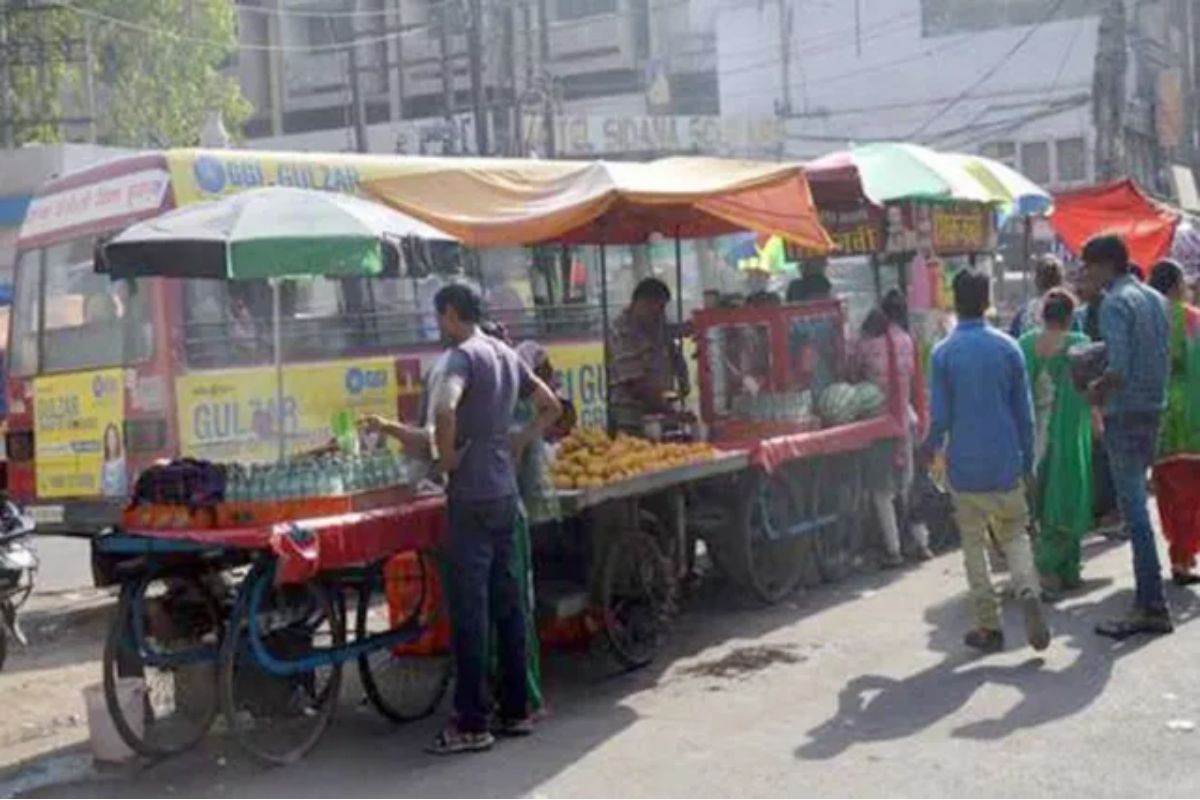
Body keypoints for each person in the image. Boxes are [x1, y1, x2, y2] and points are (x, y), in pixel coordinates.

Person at [408, 284, 562, 753]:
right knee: (509, 607)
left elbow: (442, 407)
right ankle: (517, 710)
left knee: (471, 614)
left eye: (440, 318)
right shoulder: (504, 353)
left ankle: (471, 722)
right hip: (504, 493)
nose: (440, 327)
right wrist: (520, 439)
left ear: (451, 314)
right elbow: (551, 405)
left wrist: (449, 457)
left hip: (471, 498)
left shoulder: (461, 357)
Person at [922, 270, 1049, 653]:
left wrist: (927, 447)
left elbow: (940, 418)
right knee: (1015, 533)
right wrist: (1027, 462)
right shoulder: (1008, 347)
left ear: (954, 302)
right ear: (988, 299)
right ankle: (1027, 587)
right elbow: (1024, 414)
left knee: (973, 544)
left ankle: (989, 626)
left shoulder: (943, 353)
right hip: (1005, 461)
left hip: (966, 467)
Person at [1082, 235, 1173, 639]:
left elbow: (1118, 367)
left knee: (1134, 511)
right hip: (1154, 409)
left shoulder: (1115, 304)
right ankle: (1150, 598)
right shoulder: (1154, 298)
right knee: (1139, 510)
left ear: (1104, 265)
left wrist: (1092, 391)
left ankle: (1150, 604)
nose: (1086, 274)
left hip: (1125, 413)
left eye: (1089, 267)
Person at [1018, 289, 1093, 597]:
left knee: (1043, 499)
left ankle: (1067, 568)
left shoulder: (1025, 343)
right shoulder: (1080, 345)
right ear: (1069, 316)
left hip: (1034, 434)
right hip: (1068, 433)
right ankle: (1049, 567)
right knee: (1069, 497)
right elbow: (1090, 391)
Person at [855, 290, 931, 567]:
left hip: (879, 424)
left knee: (881, 490)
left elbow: (853, 373)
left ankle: (893, 549)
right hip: (907, 422)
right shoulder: (908, 341)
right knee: (909, 485)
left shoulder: (867, 344)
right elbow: (917, 386)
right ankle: (921, 542)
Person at [1147, 260, 1200, 585]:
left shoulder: (1148, 317)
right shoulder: (1193, 320)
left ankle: (1179, 556)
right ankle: (1183, 556)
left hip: (1158, 413)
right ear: (1178, 284)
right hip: (1193, 415)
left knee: (1168, 489)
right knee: (1193, 491)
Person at [607, 277, 688, 435]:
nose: (660, 314)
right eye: (657, 309)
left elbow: (673, 349)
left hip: (660, 413)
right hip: (631, 420)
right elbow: (637, 384)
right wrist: (671, 412)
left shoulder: (657, 326)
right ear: (641, 303)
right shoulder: (622, 330)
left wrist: (683, 378)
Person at [1009, 255, 1065, 338]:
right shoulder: (1070, 312)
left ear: (1036, 280)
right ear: (1061, 280)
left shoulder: (1024, 314)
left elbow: (1014, 344)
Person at [100, 423, 127, 498]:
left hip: (119, 503)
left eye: (113, 437)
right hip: (107, 504)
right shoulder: (104, 464)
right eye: (109, 438)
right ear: (106, 442)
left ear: (117, 439)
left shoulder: (123, 462)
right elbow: (102, 488)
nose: (111, 441)